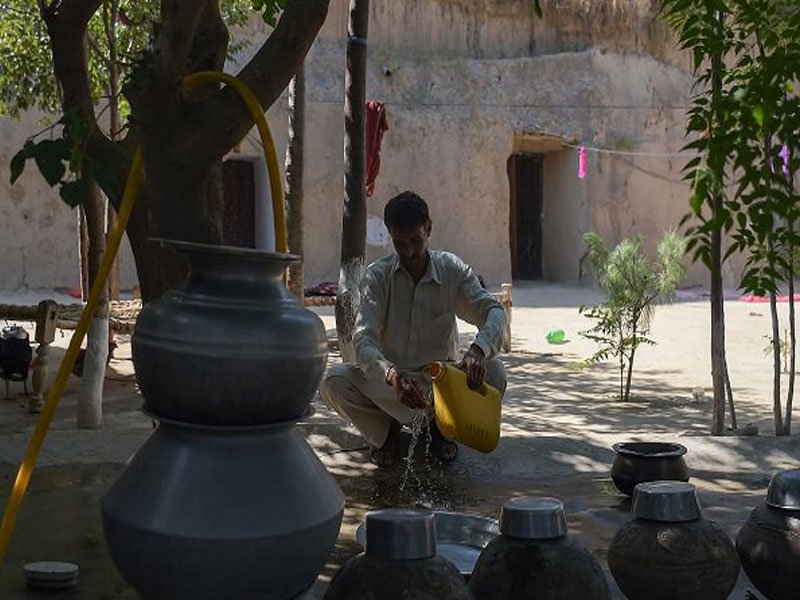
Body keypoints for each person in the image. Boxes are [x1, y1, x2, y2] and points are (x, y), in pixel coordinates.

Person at [320, 191, 507, 467]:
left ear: (428, 228)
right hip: (392, 384)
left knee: (496, 372)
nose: (409, 252)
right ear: (390, 235)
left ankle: (442, 430)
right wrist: (392, 376)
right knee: (334, 383)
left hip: (440, 383)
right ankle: (386, 434)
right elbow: (363, 340)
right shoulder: (378, 277)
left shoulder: (451, 270)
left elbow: (494, 312)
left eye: (416, 241)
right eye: (400, 243)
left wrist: (478, 351)